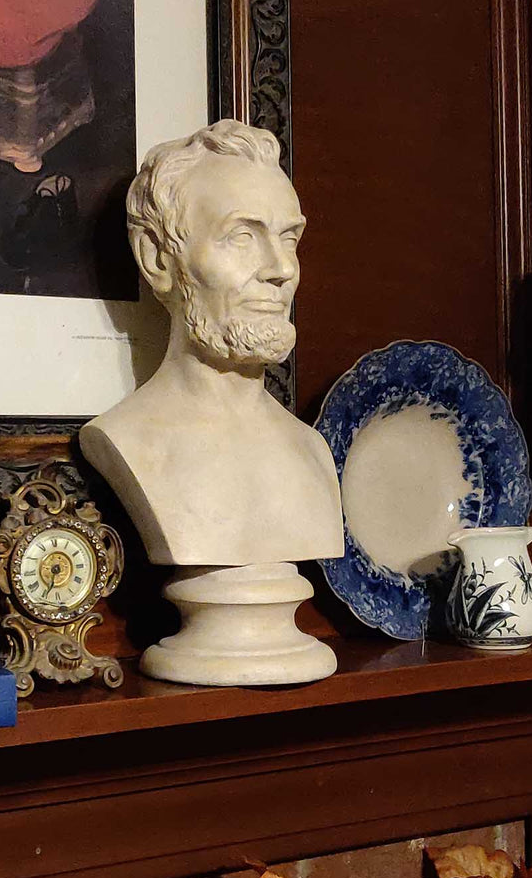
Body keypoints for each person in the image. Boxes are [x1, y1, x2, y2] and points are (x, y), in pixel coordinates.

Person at [81, 119, 344, 568]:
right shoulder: (128, 441)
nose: (281, 268)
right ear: (158, 257)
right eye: (243, 237)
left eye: (289, 238)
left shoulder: (311, 450)